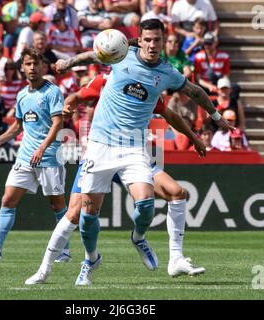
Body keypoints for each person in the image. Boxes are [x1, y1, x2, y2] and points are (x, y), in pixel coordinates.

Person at [51, 19, 232, 286]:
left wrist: (214, 118)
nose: (152, 45)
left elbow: (192, 94)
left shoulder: (166, 74)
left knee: (153, 202)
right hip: (100, 147)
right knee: (81, 214)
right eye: (147, 39)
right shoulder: (118, 59)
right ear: (139, 40)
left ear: (162, 41)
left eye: (157, 40)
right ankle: (83, 261)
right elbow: (92, 60)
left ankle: (141, 239)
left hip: (133, 148)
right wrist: (69, 64)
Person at [24, 72, 207, 285]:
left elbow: (168, 114)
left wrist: (193, 137)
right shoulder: (105, 79)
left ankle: (165, 252)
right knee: (76, 214)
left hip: (131, 152)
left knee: (176, 193)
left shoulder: (146, 83)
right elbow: (76, 96)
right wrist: (69, 104)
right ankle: (61, 266)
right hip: (99, 152)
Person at [0, 48, 68, 263]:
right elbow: (18, 125)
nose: (32, 68)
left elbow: (58, 123)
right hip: (25, 157)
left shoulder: (52, 92)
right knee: (8, 199)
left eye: (36, 63)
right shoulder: (22, 94)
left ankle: (65, 250)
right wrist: (0, 140)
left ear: (42, 65)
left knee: (57, 205)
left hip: (49, 157)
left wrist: (42, 148)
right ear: (22, 67)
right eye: (28, 64)